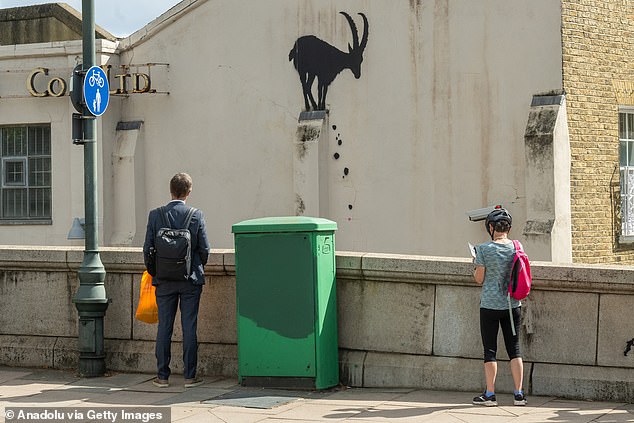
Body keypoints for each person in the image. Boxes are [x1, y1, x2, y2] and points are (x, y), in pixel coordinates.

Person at [143, 172, 210, 388]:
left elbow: (147, 249)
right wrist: (195, 267)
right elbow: (204, 249)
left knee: (165, 327)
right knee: (189, 326)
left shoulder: (156, 215)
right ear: (189, 192)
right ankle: (190, 376)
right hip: (190, 280)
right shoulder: (195, 215)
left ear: (170, 190)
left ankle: (162, 376)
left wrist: (157, 272)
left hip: (164, 280)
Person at [472, 207, 526, 407]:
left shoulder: (483, 249)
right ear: (509, 228)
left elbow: (479, 279)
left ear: (491, 227)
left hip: (489, 306)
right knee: (515, 349)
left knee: (490, 351)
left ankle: (490, 394)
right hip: (512, 305)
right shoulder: (517, 247)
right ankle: (519, 394)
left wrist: (474, 264)